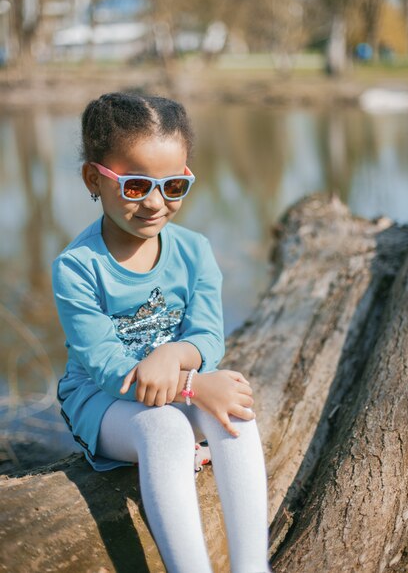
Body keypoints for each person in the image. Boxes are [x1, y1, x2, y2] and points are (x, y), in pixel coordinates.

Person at [52, 92, 271, 573]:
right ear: (95, 178)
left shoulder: (194, 252)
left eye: (174, 184)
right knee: (166, 429)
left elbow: (209, 338)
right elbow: (108, 368)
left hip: (170, 387)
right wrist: (192, 386)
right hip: (106, 402)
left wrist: (175, 356)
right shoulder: (77, 268)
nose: (156, 203)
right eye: (134, 186)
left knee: (237, 408)